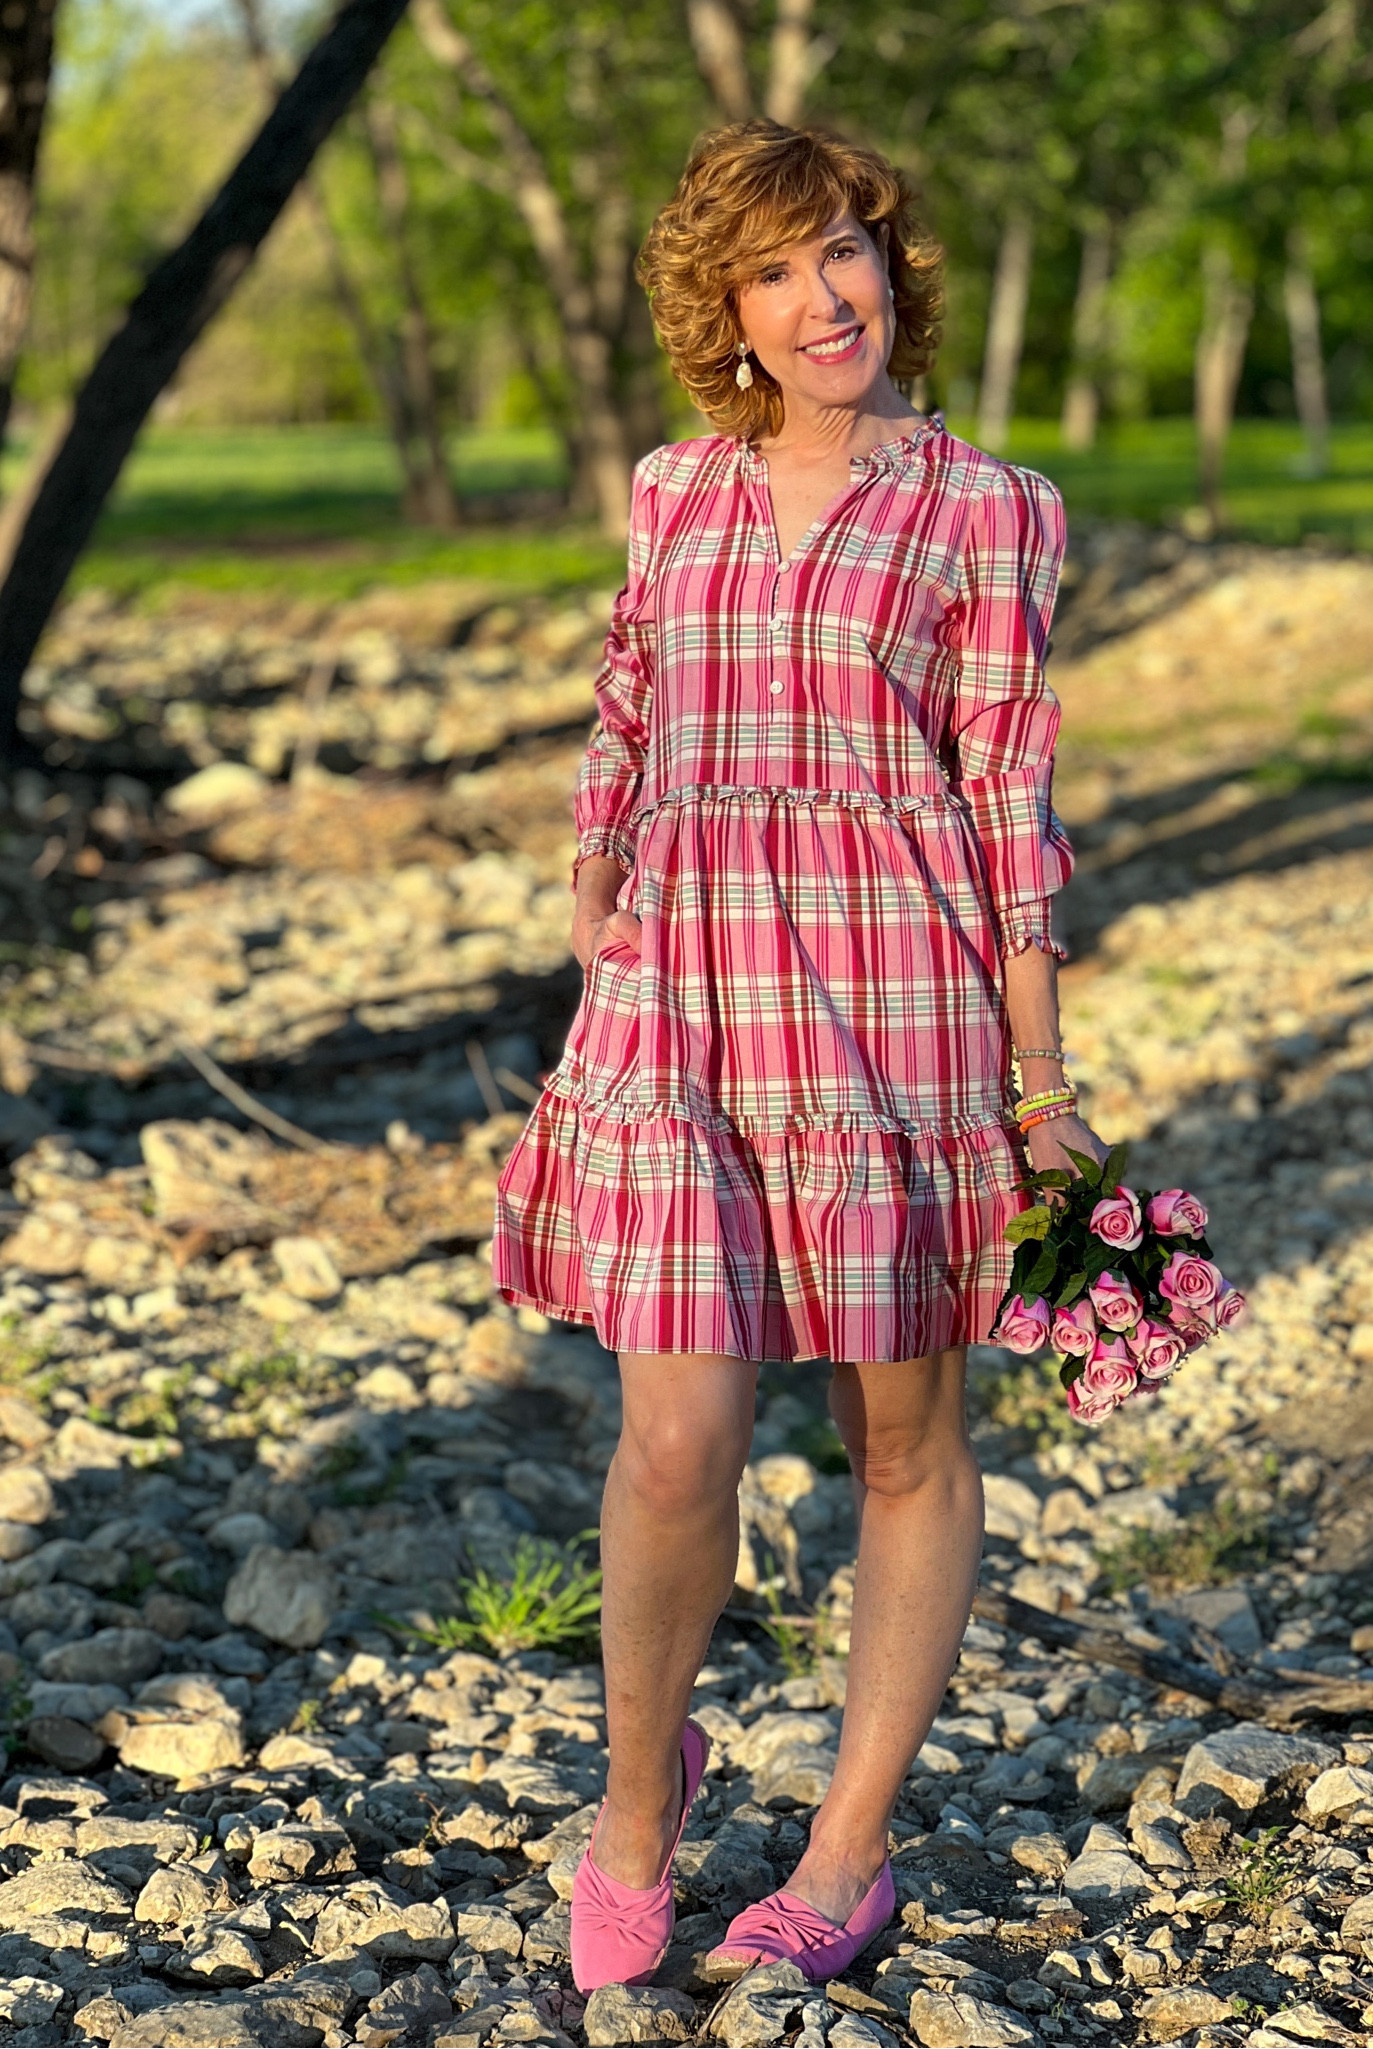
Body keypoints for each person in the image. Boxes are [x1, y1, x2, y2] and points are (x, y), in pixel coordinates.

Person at [491, 117, 1109, 1993]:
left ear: (884, 264)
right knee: (678, 1440)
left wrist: (1042, 1079)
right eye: (772, 271)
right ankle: (634, 1800)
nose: (819, 297)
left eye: (839, 251)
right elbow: (629, 677)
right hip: (684, 985)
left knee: (898, 1435)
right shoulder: (675, 485)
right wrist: (599, 856)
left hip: (898, 1000)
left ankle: (847, 1852)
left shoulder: (989, 506)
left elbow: (1007, 787)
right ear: (729, 313)